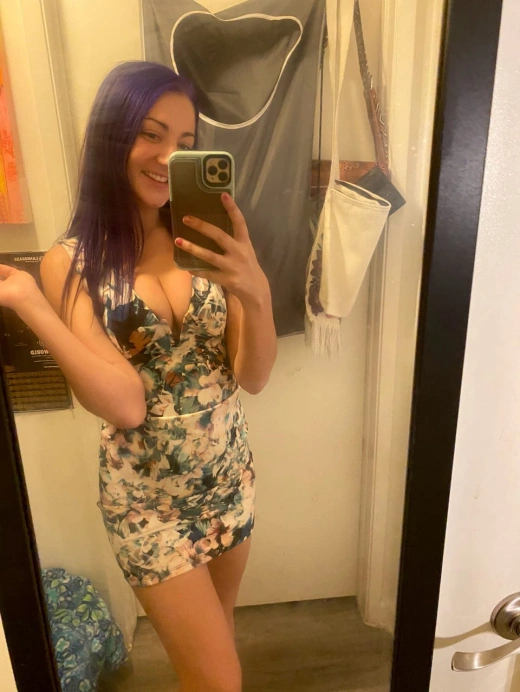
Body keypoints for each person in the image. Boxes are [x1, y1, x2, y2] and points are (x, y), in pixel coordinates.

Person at [0, 61, 276, 691]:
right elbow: (125, 405)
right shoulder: (73, 262)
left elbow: (253, 375)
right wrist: (35, 307)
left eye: (184, 142)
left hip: (228, 478)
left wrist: (255, 292)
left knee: (213, 655)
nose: (167, 156)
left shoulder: (209, 239)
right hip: (148, 507)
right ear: (112, 136)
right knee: (220, 681)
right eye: (150, 134)